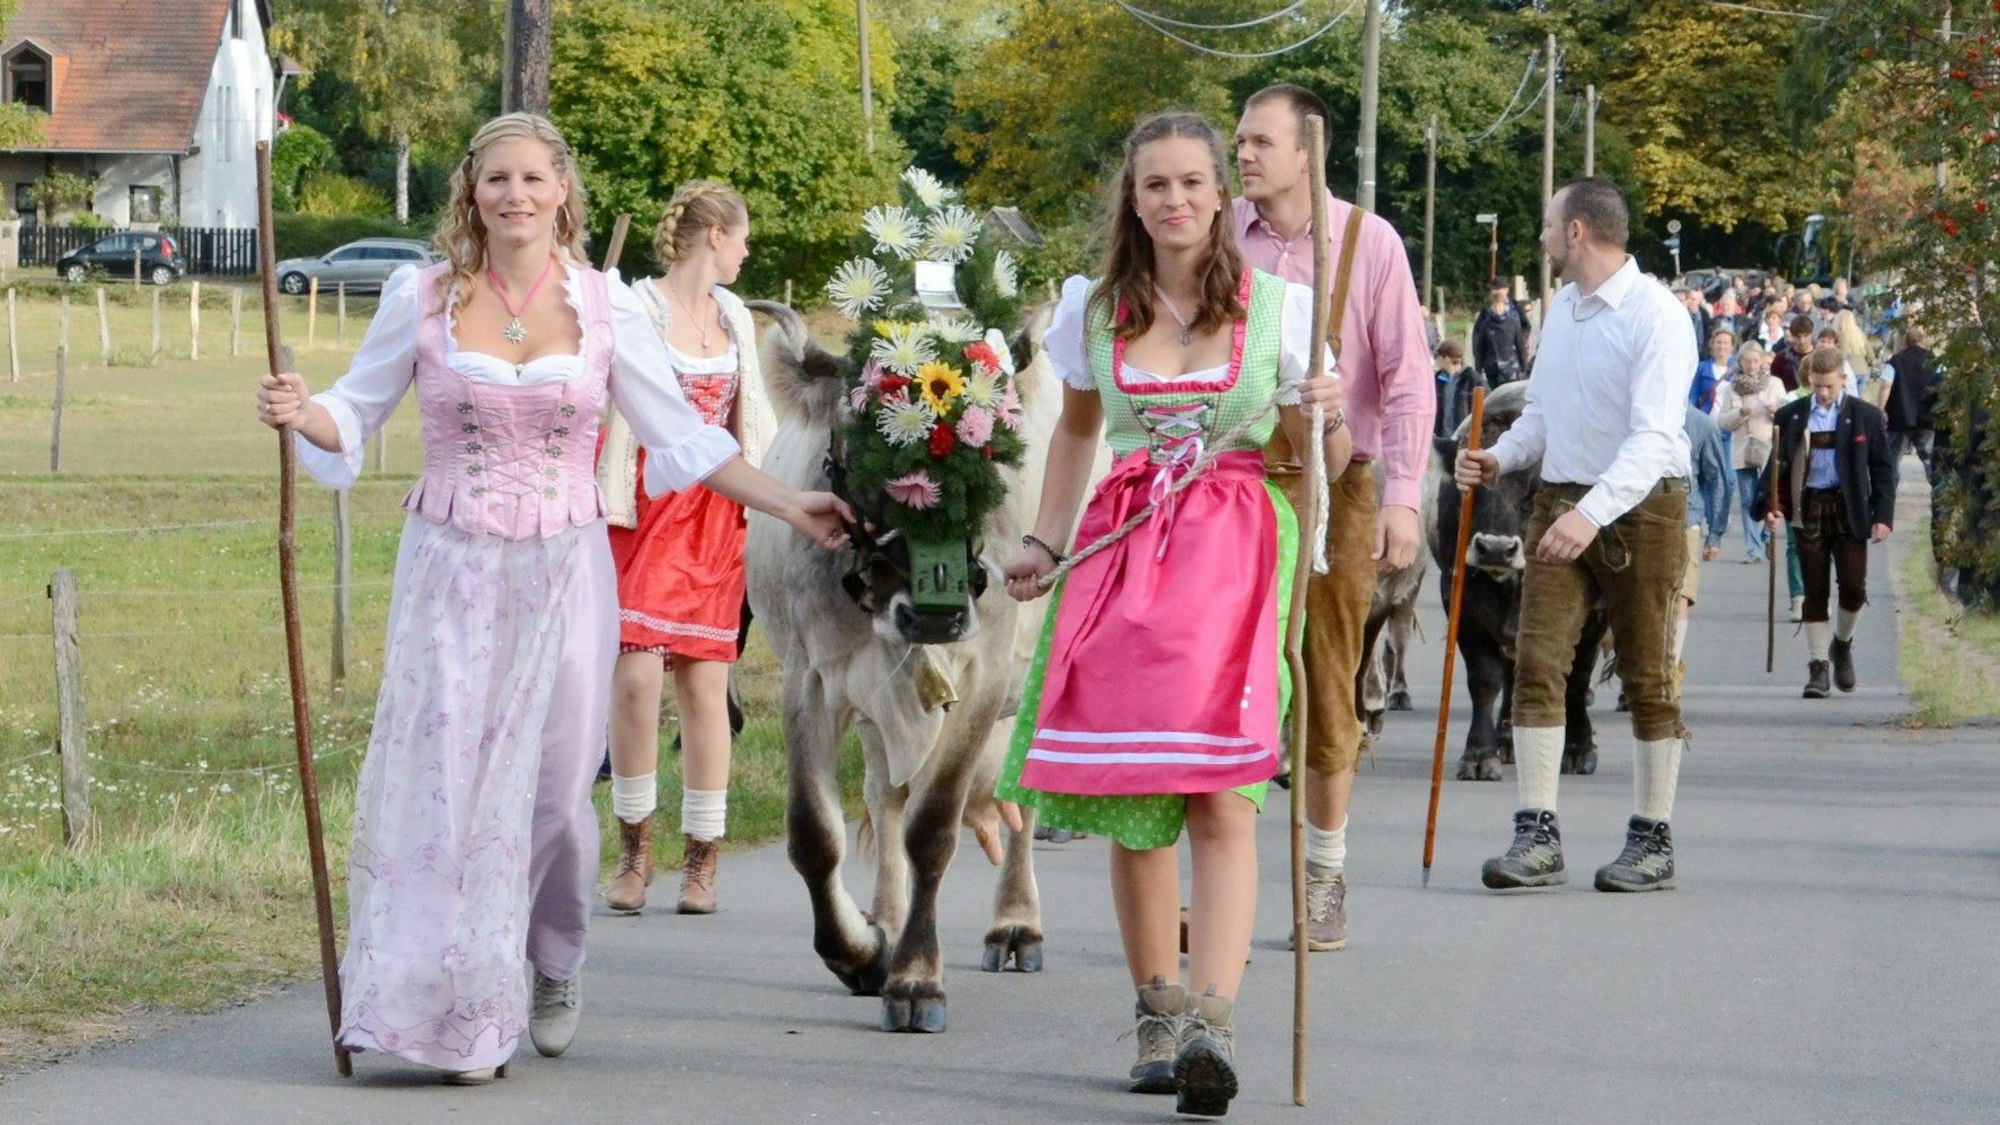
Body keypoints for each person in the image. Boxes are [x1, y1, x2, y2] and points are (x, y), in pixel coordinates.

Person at [254, 114, 852, 1084]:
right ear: (472, 190)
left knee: (556, 797)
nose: (516, 195)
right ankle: (458, 1006)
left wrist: (791, 503)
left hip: (566, 575)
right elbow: (351, 411)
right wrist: (300, 413)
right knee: (444, 783)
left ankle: (555, 959)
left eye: (533, 178)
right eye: (497, 179)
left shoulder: (607, 308)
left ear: (562, 191)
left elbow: (685, 439)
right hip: (449, 570)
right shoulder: (422, 296)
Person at [996, 109, 1349, 1117]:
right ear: (1134, 198)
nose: (1176, 199)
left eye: (1194, 181)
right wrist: (1045, 541)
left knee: (1221, 794)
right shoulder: (1095, 309)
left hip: (1236, 554)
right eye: (1156, 183)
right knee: (1136, 787)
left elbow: (1326, 462)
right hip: (1122, 556)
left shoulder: (1280, 309)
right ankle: (1157, 1009)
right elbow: (1075, 433)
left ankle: (1212, 1023)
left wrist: (1323, 414)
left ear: (1222, 195)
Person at [1231, 82, 1433, 954]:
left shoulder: (1368, 240)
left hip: (1338, 481)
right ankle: (1227, 879)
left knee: (1325, 674)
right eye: (1240, 140)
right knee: (1228, 676)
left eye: (1261, 141)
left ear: (1309, 151)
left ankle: (1323, 875)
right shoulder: (1220, 235)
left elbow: (1409, 379)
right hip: (1237, 474)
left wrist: (1402, 497)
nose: (1244, 154)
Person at [1455, 176, 1694, 894]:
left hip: (1643, 507)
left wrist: (1592, 513)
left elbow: (1655, 439)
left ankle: (1652, 840)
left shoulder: (1657, 315)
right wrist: (1499, 456)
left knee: (1646, 674)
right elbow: (1542, 416)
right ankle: (1537, 835)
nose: (1543, 237)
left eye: (1548, 224)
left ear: (1578, 232)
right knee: (1536, 661)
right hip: (1559, 496)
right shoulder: (1561, 311)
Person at [597, 181, 776, 916]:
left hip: (715, 514)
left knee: (706, 686)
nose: (747, 251)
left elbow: (751, 416)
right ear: (714, 235)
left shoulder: (736, 317)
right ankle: (634, 851)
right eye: (743, 237)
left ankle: (702, 858)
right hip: (643, 506)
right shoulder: (635, 306)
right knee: (636, 678)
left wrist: (766, 498)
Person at [1753, 346, 1895, 698]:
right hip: (1809, 507)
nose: (1823, 392)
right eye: (1816, 385)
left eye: (1829, 385)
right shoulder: (1791, 415)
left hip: (1850, 509)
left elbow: (1883, 469)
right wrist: (1772, 505)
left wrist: (1883, 517)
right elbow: (1777, 467)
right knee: (1814, 591)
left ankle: (1842, 644)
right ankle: (1818, 667)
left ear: (1843, 379)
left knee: (1854, 588)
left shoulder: (1865, 416)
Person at [1716, 340, 1786, 563]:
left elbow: (1787, 415)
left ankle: (1766, 535)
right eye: (1747, 361)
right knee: (1748, 500)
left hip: (1768, 448)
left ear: (1763, 361)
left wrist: (1775, 411)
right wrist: (1740, 413)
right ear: (1740, 363)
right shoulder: (1731, 388)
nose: (1752, 365)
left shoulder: (1774, 384)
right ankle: (1753, 549)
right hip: (1743, 449)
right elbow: (1723, 421)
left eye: (1756, 361)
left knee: (1769, 497)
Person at [1673, 404, 1730, 668]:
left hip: (1686, 521)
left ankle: (1670, 668)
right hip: (1634, 520)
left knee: (1681, 593)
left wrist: (1715, 533)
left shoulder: (1701, 424)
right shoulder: (1632, 415)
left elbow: (1717, 479)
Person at [1878, 326, 1937, 478]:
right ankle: (1939, 489)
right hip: (1928, 416)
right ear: (1924, 341)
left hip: (1900, 416)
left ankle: (1888, 490)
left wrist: (1881, 409)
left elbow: (1886, 386)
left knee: (1892, 460)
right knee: (1931, 460)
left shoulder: (1896, 360)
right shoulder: (1934, 361)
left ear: (1905, 341)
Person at [1473, 280, 1531, 386]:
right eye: (1492, 289)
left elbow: (1525, 328)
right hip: (1492, 362)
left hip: (1511, 361)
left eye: (1497, 288)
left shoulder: (1515, 307)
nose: (1494, 291)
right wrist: (1479, 367)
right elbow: (1479, 341)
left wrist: (1518, 341)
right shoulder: (1486, 314)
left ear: (1506, 290)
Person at [1435, 339, 1480, 437]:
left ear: (1446, 358)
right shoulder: (1437, 380)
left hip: (1464, 437)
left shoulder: (1472, 378)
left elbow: (1483, 408)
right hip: (1441, 438)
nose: (1436, 361)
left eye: (1437, 357)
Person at [1770, 314, 1815, 394]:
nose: (1802, 341)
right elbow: (1774, 384)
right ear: (1793, 336)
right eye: (1798, 337)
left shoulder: (1820, 357)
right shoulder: (1781, 358)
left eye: (1805, 336)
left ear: (1811, 334)